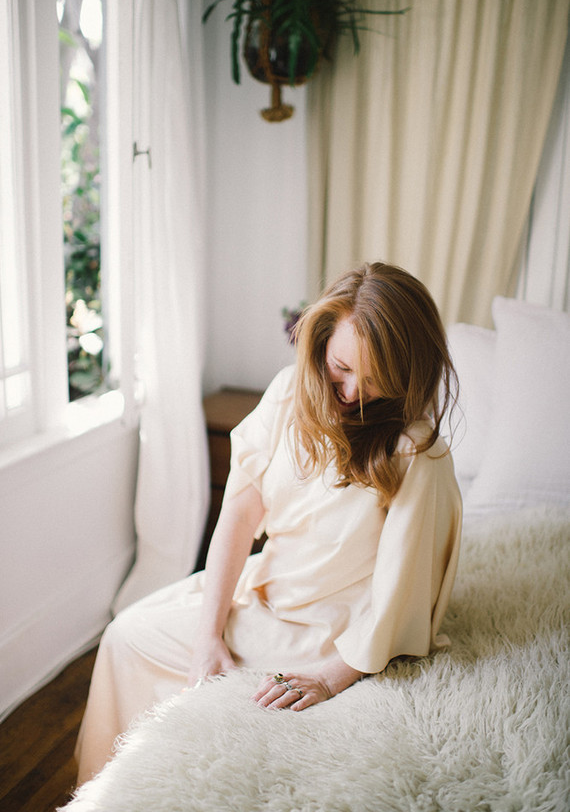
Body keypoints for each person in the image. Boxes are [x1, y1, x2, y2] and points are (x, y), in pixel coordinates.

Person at [75, 261, 462, 784]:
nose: (351, 392)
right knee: (125, 634)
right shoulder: (288, 394)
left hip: (329, 630)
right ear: (321, 340)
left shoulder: (417, 453)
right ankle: (103, 788)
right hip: (266, 594)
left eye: (375, 381)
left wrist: (331, 677)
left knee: (133, 640)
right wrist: (209, 633)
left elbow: (406, 591)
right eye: (342, 367)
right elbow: (239, 510)